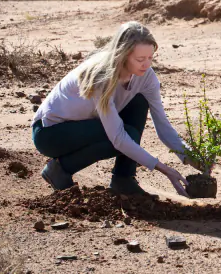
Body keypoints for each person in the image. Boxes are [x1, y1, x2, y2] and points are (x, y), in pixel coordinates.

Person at [31, 21, 200, 196]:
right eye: (140, 59)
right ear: (123, 55)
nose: (147, 64)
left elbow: (163, 125)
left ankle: (123, 179)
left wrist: (190, 156)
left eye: (150, 58)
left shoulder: (147, 77)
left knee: (139, 101)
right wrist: (165, 169)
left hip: (88, 124)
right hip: (50, 134)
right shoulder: (101, 75)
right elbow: (118, 137)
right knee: (129, 136)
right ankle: (60, 170)